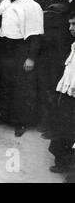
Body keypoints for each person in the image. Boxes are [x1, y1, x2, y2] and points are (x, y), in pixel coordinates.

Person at [0, 0, 44, 137]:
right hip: (6, 47)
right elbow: (0, 27)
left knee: (22, 87)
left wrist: (31, 58)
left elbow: (36, 35)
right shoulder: (4, 3)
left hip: (22, 48)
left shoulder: (32, 6)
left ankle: (21, 121)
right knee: (5, 83)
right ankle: (5, 115)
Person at [48, 11, 75, 174]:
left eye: (74, 25)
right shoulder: (73, 45)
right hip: (67, 93)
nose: (71, 28)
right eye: (70, 24)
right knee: (63, 128)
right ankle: (62, 163)